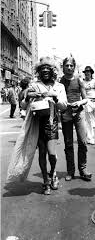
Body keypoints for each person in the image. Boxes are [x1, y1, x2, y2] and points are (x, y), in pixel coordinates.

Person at [6, 57, 68, 195]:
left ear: (52, 72)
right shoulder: (34, 85)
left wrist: (55, 97)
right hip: (37, 124)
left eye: (48, 70)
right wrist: (29, 97)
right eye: (42, 70)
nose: (45, 72)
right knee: (42, 153)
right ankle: (46, 181)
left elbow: (64, 106)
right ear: (39, 72)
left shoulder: (59, 86)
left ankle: (53, 174)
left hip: (52, 123)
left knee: (52, 154)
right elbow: (22, 104)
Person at [60, 55, 92, 182]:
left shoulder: (79, 80)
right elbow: (57, 99)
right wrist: (63, 104)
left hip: (79, 113)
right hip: (66, 114)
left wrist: (79, 103)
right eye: (67, 65)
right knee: (68, 144)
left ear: (74, 67)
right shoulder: (60, 82)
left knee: (83, 142)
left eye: (71, 65)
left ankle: (83, 169)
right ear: (63, 67)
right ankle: (70, 171)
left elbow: (85, 99)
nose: (69, 67)